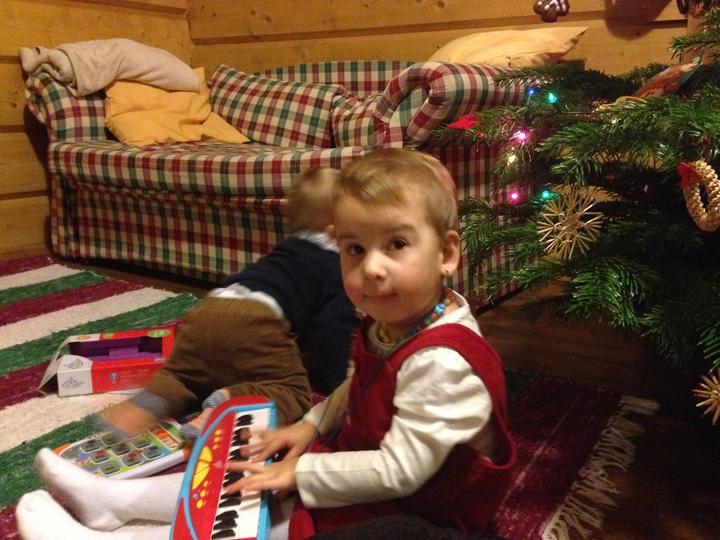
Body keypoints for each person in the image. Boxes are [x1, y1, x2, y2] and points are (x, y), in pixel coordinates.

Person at [15, 149, 515, 540]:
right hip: (370, 476)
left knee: (290, 514)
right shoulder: (401, 321)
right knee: (255, 470)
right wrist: (310, 425)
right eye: (355, 249)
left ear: (447, 252)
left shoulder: (443, 362)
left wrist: (302, 472)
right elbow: (364, 382)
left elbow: (400, 472)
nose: (372, 268)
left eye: (397, 245)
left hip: (426, 512)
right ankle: (114, 501)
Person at [100, 166, 359, 436]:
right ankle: (227, 406)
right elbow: (331, 330)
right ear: (336, 231)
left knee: (185, 376)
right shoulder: (335, 266)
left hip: (210, 308)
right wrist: (336, 382)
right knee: (291, 393)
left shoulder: (285, 250)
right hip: (258, 320)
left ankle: (148, 403)